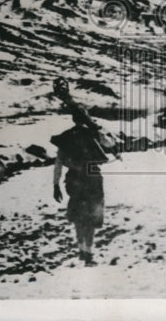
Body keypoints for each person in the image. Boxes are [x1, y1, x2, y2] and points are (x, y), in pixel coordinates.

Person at [51, 106, 110, 266]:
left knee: (78, 215)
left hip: (74, 180)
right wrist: (98, 128)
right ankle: (89, 253)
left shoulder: (66, 137)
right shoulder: (93, 133)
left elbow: (59, 163)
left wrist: (56, 185)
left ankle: (81, 249)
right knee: (91, 214)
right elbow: (110, 144)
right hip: (92, 178)